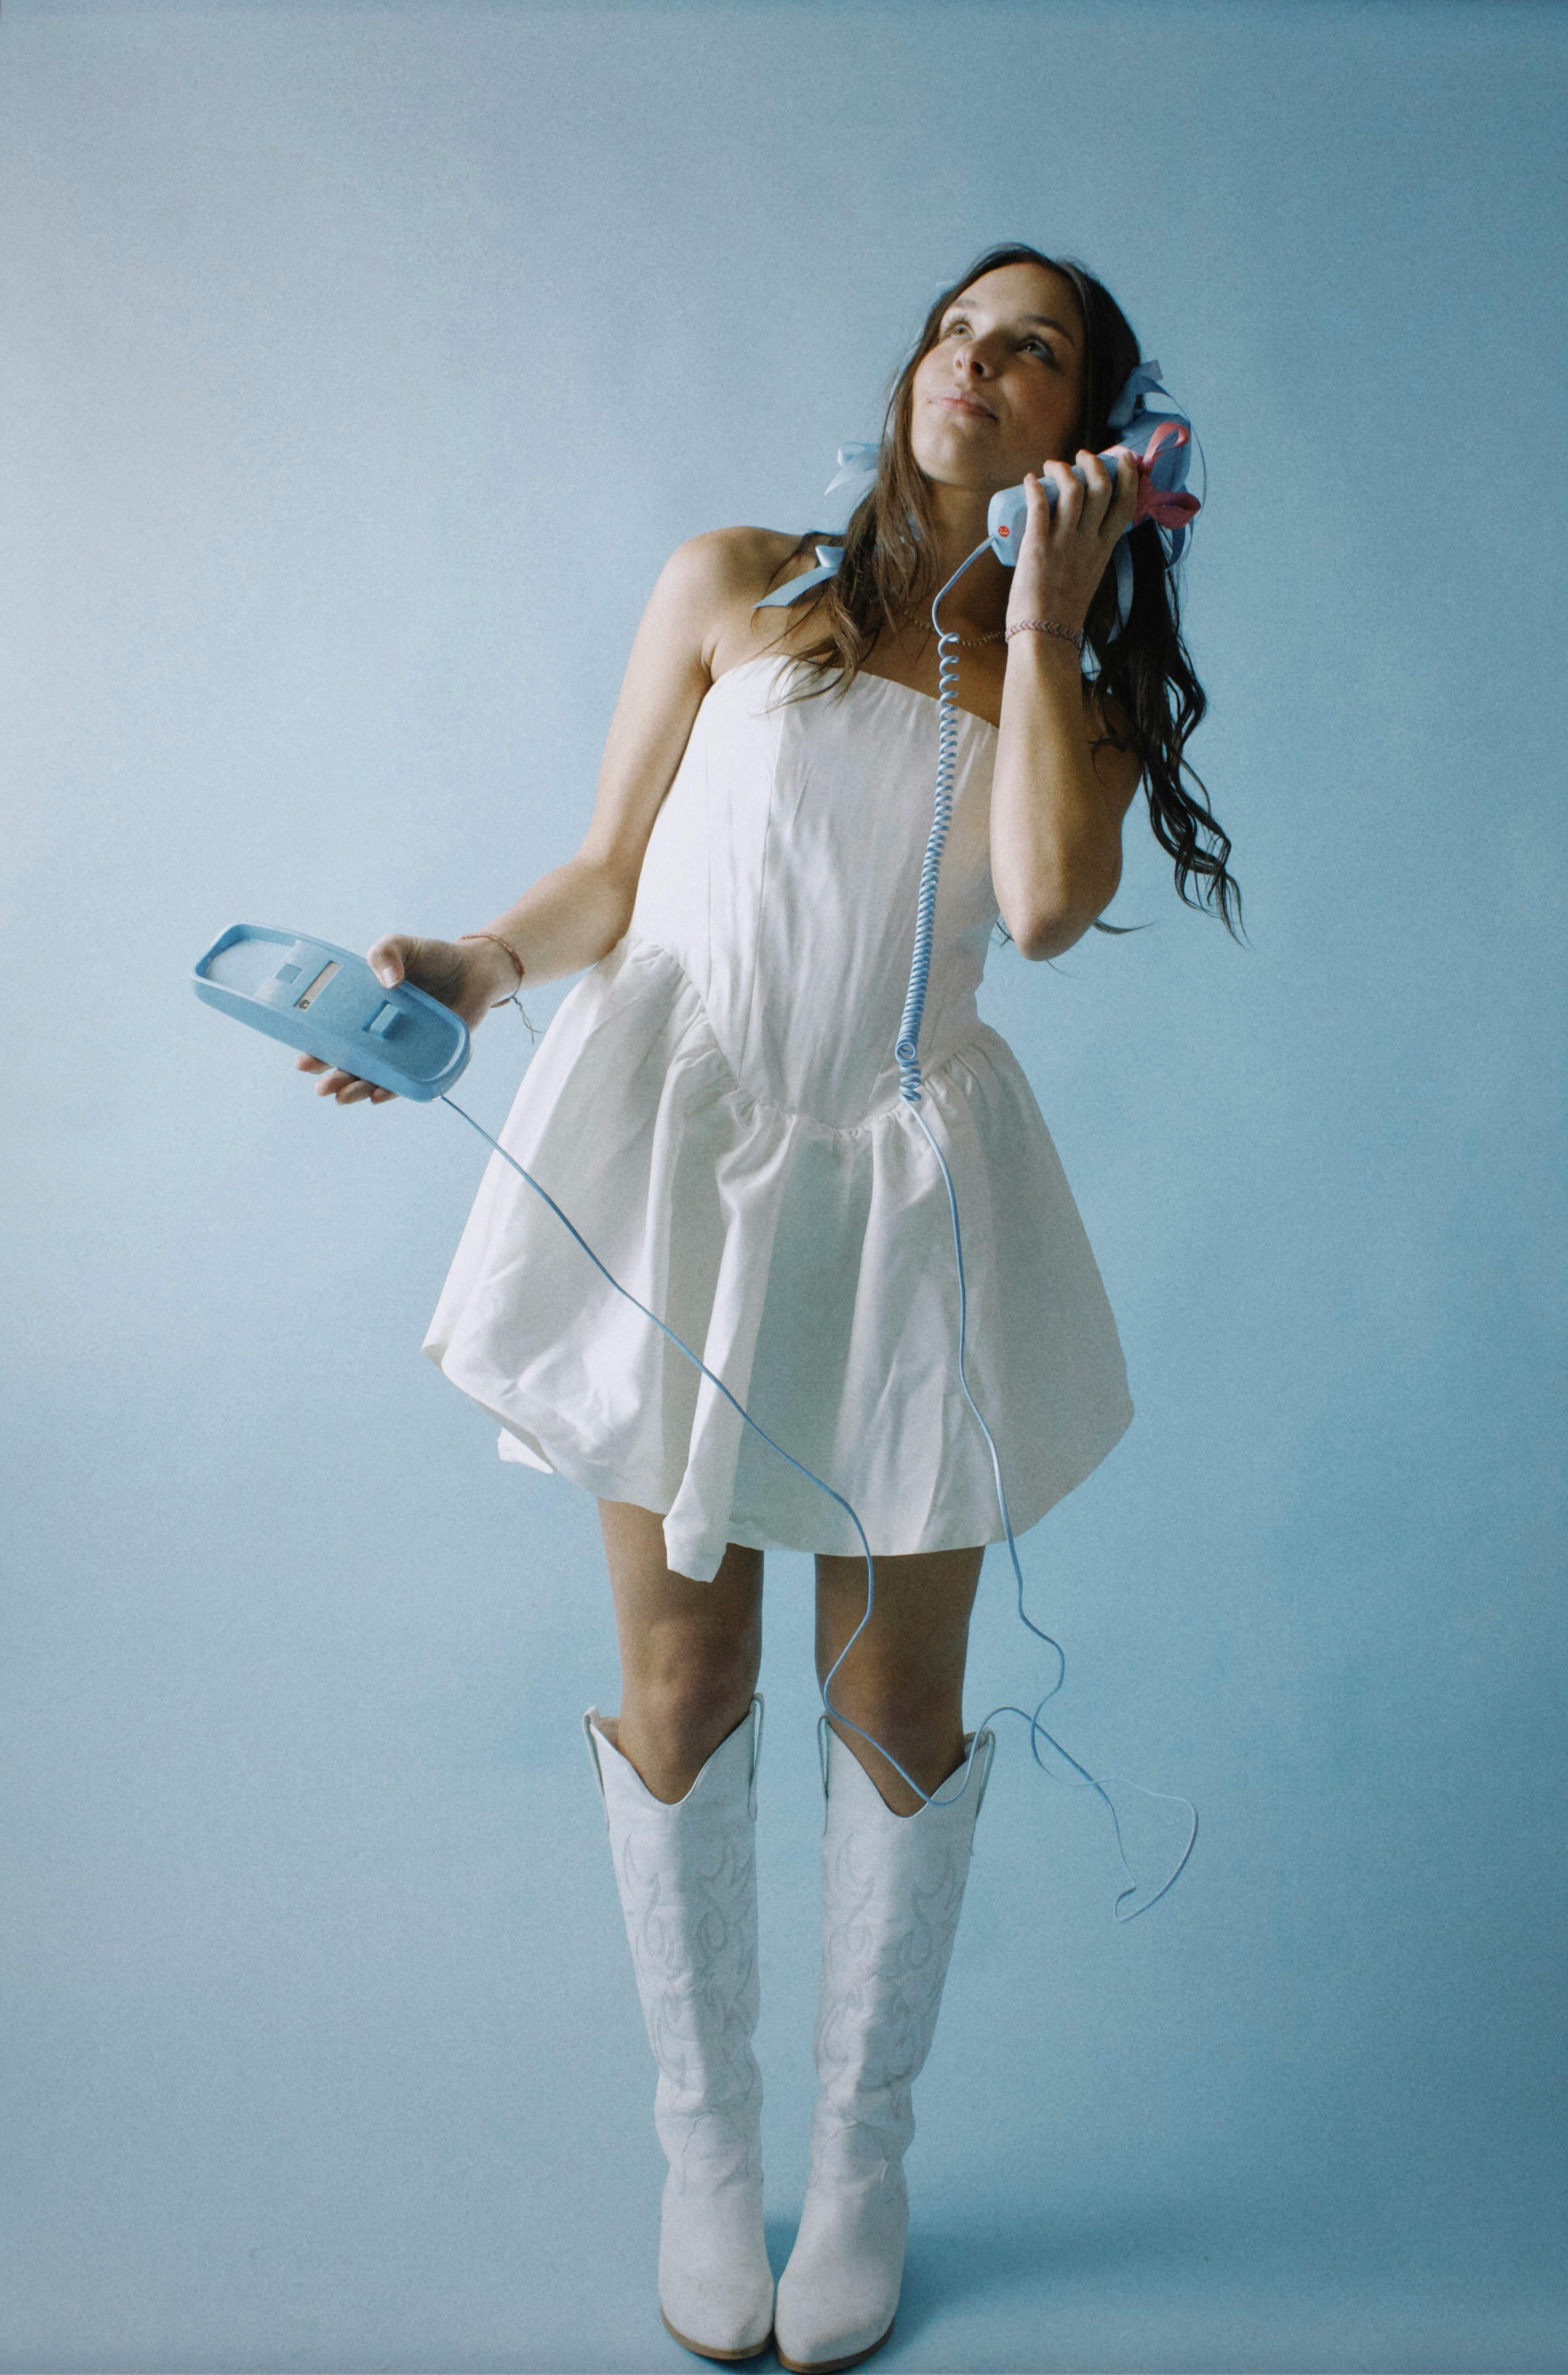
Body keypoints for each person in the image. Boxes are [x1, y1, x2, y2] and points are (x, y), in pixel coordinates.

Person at [295, 243, 1240, 2372]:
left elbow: (1048, 909)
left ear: (1092, 435)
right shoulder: (736, 584)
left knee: (897, 1702)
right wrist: (469, 967)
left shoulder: (1061, 691)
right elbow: (611, 871)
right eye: (956, 330)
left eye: (1031, 354)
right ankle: (706, 2156)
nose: (972, 365)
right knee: (684, 1663)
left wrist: (1047, 617)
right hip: (683, 1162)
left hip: (905, 1189)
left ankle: (861, 2157)